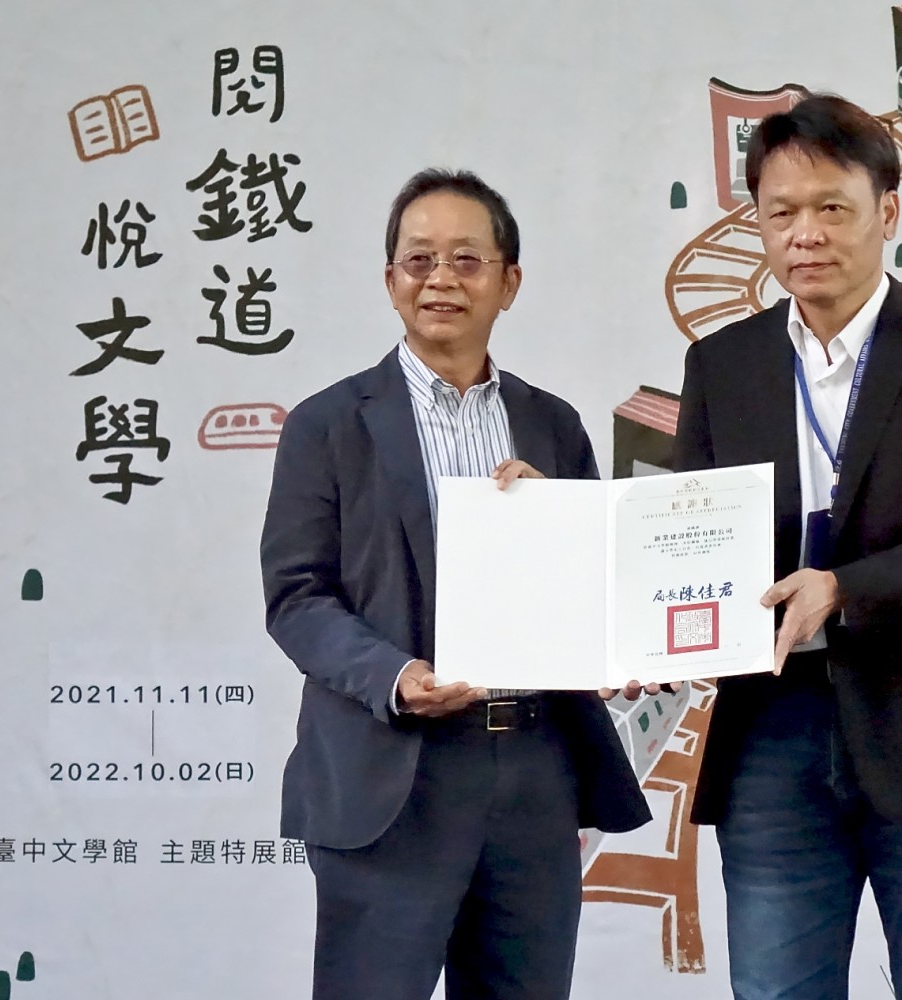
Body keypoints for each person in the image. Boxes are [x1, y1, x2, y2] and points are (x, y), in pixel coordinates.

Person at [260, 167, 650, 1000]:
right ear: (390, 281)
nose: (440, 279)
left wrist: (615, 629)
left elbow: (594, 584)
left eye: (467, 260)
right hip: (394, 773)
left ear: (509, 282)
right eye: (419, 259)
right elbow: (296, 597)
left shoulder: (552, 424)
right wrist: (395, 676)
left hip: (534, 770)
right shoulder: (328, 424)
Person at [674, 94, 902, 1000]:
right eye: (780, 212)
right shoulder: (722, 366)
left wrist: (842, 589)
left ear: (888, 211)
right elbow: (686, 535)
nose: (806, 234)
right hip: (770, 733)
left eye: (832, 206)